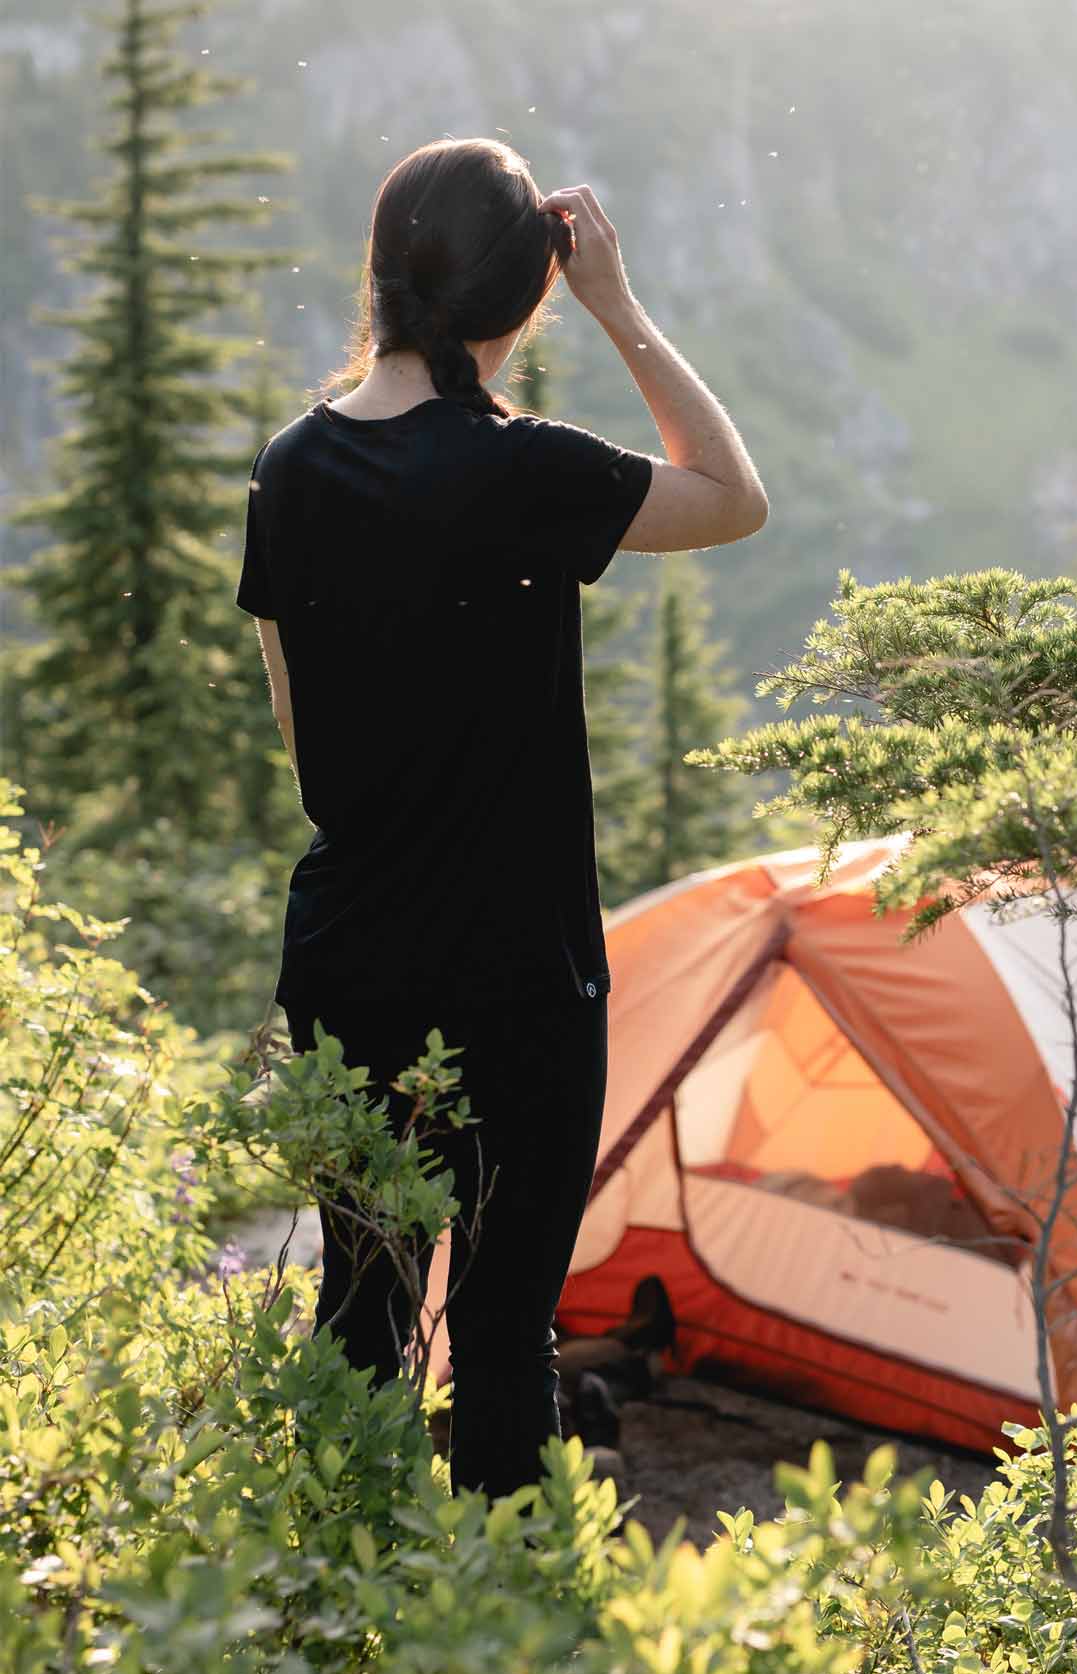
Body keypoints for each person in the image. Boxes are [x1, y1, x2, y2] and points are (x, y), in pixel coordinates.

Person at [234, 136, 768, 1503]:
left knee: (362, 1305)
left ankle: (330, 1617)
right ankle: (503, 1640)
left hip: (351, 959)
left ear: (382, 270)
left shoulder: (291, 469)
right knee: (504, 1333)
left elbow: (303, 736)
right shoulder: (524, 472)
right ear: (520, 298)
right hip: (520, 973)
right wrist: (623, 311)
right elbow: (734, 498)